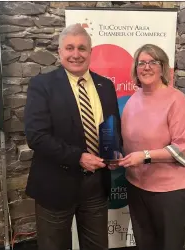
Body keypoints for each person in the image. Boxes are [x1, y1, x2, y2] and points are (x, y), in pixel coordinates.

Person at [24, 23, 121, 250]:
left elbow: (113, 127)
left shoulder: (105, 86)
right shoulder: (42, 85)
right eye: (69, 48)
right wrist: (79, 157)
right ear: (60, 52)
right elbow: (36, 136)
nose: (76, 54)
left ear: (90, 52)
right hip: (55, 186)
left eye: (82, 48)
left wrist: (115, 152)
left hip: (96, 186)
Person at [119, 44, 185, 250]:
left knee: (168, 245)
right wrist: (118, 158)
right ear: (136, 68)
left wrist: (144, 156)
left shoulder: (176, 100)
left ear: (163, 68)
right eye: (142, 63)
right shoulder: (133, 100)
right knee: (144, 244)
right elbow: (127, 141)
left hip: (169, 191)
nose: (147, 67)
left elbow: (183, 149)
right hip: (136, 186)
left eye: (153, 62)